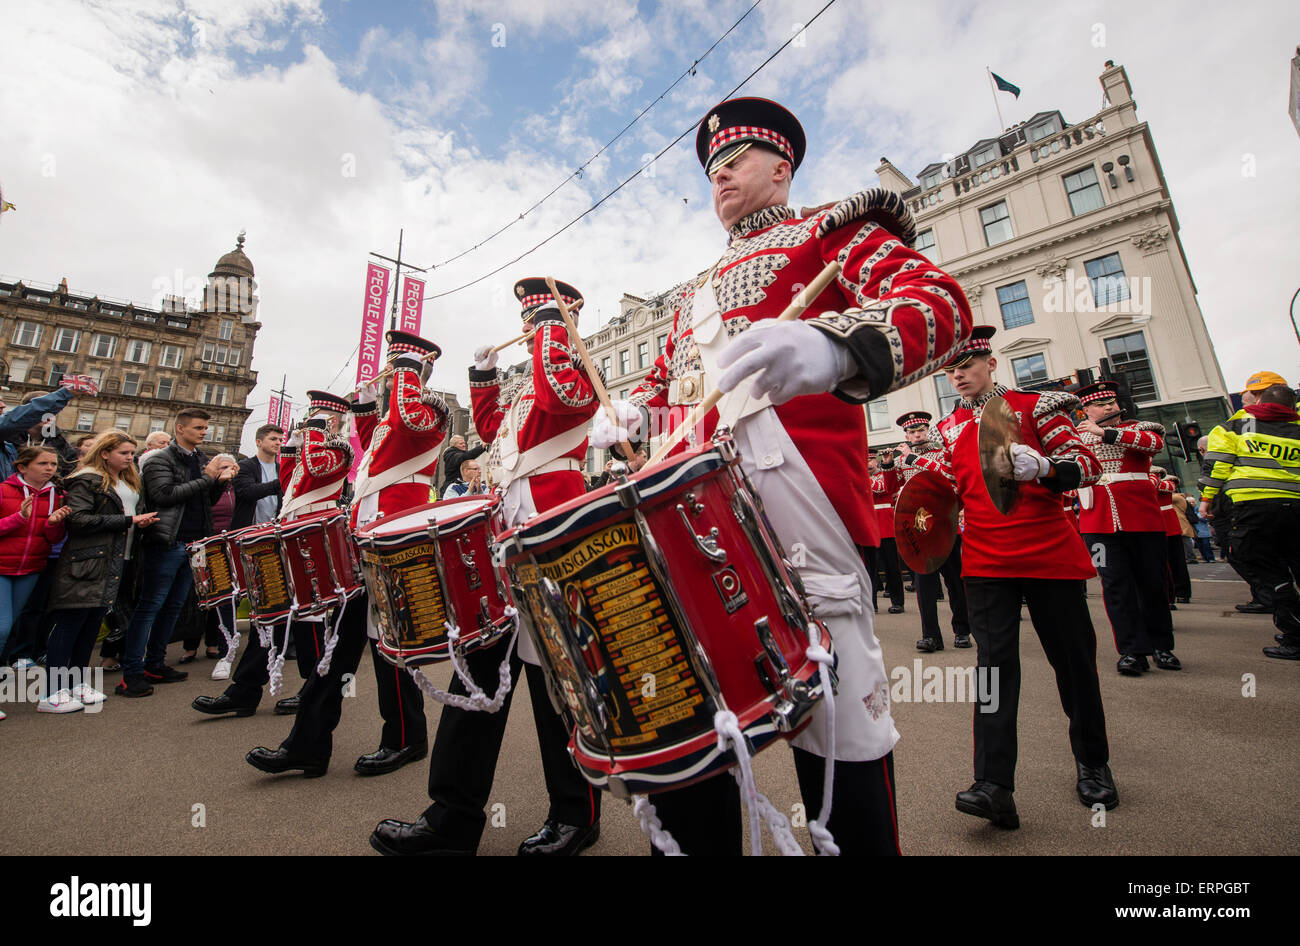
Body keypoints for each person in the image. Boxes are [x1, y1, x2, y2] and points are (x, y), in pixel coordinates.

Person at [591, 97, 973, 854]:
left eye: (733, 161)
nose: (720, 176)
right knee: (701, 738)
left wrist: (836, 347)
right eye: (710, 170)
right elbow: (676, 396)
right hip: (702, 529)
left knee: (840, 739)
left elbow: (942, 308)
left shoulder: (835, 231)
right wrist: (633, 415)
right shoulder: (690, 298)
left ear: (781, 167)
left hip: (806, 517)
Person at [371, 278, 604, 857]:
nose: (527, 331)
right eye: (527, 320)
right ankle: (451, 817)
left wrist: (553, 328)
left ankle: (577, 814)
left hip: (554, 539)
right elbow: (492, 426)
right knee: (475, 679)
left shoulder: (576, 371)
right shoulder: (528, 383)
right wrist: (482, 376)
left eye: (538, 319)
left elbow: (561, 402)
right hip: (501, 543)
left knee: (560, 690)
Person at [914, 326, 1116, 829]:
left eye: (967, 366)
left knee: (1073, 664)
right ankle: (993, 785)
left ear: (990, 364)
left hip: (1048, 552)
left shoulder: (1037, 407)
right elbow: (943, 490)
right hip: (984, 561)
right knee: (993, 672)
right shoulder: (947, 428)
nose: (958, 376)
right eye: (950, 370)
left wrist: (1047, 468)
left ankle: (1093, 761)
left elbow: (1088, 465)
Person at [246, 339, 442, 776]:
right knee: (337, 650)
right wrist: (364, 406)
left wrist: (409, 368)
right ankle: (307, 747)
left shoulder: (429, 413)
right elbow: (377, 436)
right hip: (361, 547)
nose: (390, 382)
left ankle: (406, 738)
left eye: (395, 376)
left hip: (395, 547)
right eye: (391, 376)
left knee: (390, 647)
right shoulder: (390, 430)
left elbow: (406, 416)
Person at [191, 397, 341, 717]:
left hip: (309, 548)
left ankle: (313, 690)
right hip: (283, 545)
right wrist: (293, 445)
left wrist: (306, 440)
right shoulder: (298, 454)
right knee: (269, 619)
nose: (309, 431)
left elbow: (309, 478)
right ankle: (245, 690)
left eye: (319, 423)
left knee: (309, 625)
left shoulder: (335, 453)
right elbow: (288, 482)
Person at [118, 408, 234, 697]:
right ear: (180, 429)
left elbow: (205, 500)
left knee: (173, 607)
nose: (204, 432)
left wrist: (220, 483)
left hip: (196, 543)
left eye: (206, 427)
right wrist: (208, 478)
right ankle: (132, 671)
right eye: (198, 427)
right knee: (149, 607)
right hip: (167, 541)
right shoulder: (160, 460)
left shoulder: (200, 460)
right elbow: (164, 495)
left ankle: (155, 663)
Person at [41, 432, 158, 713]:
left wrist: (137, 523)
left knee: (92, 622)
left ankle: (78, 682)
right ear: (105, 453)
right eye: (123, 452)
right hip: (88, 559)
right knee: (72, 622)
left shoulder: (128, 480)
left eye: (132, 452)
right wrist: (129, 520)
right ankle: (52, 691)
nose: (130, 457)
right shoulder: (87, 479)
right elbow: (78, 520)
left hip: (119, 558)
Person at [1070, 380, 1179, 675]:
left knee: (1152, 584)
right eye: (1101, 404)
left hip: (1143, 520)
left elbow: (1152, 445)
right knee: (1115, 586)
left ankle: (1162, 646)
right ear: (1086, 410)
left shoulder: (1141, 428)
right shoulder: (1074, 438)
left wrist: (1104, 431)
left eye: (1112, 402)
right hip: (1098, 524)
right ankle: (1131, 650)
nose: (1109, 407)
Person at [1198, 381, 1300, 660]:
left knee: (1271, 573)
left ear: (1258, 401)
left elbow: (1217, 464)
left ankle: (1295, 636)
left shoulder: (1235, 427)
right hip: (1296, 508)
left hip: (1253, 509)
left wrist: (1207, 498)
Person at [896, 410, 971, 651]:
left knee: (955, 582)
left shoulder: (941, 451)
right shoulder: (900, 459)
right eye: (911, 432)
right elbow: (898, 486)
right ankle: (931, 635)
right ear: (906, 434)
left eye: (920, 430)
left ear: (926, 430)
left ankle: (962, 630)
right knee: (924, 585)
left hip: (943, 524)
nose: (916, 435)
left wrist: (911, 459)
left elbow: (948, 477)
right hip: (919, 528)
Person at [0, 447, 70, 671]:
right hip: (2, 567)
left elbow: (53, 538)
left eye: (53, 464)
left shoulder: (57, 496)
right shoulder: (3, 490)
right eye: (43, 464)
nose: (49, 469)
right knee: (2, 626)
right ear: (22, 467)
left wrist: (54, 524)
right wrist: (18, 518)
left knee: (13, 625)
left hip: (31, 568)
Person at [180, 453, 240, 664]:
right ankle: (190, 645)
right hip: (201, 545)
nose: (227, 471)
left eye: (231, 467)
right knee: (199, 594)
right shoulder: (204, 487)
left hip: (225, 546)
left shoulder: (234, 488)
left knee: (222, 594)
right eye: (222, 467)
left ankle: (214, 643)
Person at [0, 380, 84, 481]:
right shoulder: (8, 440)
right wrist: (65, 393)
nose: (3, 405)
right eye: (45, 410)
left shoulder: (60, 442)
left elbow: (69, 471)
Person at [866, 450, 904, 614]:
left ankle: (897, 601)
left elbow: (883, 488)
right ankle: (871, 603)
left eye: (871, 461)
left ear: (876, 461)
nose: (868, 465)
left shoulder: (884, 475)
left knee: (892, 567)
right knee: (870, 569)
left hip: (886, 525)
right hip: (869, 525)